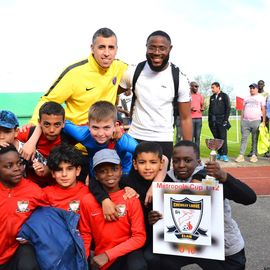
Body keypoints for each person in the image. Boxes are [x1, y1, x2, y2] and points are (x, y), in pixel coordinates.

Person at [149, 140, 257, 270]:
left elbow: (250, 198)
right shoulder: (167, 180)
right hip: (183, 243)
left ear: (199, 162)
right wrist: (154, 217)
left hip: (222, 244)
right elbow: (160, 212)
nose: (181, 165)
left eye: (188, 160)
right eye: (176, 161)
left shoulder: (212, 178)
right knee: (156, 260)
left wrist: (224, 176)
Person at [119, 30, 192, 163]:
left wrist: (189, 149)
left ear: (170, 49)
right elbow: (112, 93)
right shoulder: (133, 71)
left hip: (163, 140)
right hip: (135, 137)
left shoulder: (179, 78)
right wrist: (114, 121)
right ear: (146, 47)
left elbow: (186, 117)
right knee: (132, 182)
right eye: (152, 47)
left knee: (160, 183)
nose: (157, 53)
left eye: (162, 48)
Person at [30, 27, 127, 126]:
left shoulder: (119, 67)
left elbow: (137, 76)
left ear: (116, 49)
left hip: (104, 132)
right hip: (76, 133)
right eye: (101, 47)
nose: (106, 53)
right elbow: (48, 100)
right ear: (92, 48)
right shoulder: (74, 72)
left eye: (111, 47)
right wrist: (33, 124)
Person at [79, 149, 146, 270]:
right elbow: (85, 234)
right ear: (96, 175)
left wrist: (108, 255)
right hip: (101, 259)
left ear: (121, 170)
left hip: (125, 254)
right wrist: (83, 260)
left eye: (114, 169)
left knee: (137, 266)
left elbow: (139, 237)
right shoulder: (87, 201)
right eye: (103, 171)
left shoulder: (130, 198)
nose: (110, 174)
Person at [0, 144, 48, 270]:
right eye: (9, 166)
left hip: (18, 250)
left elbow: (48, 219)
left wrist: (33, 234)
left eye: (19, 163)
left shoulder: (34, 191)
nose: (17, 169)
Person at [121, 142, 164, 270]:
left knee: (152, 258)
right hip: (134, 238)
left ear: (161, 164)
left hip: (157, 238)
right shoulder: (126, 182)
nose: (147, 167)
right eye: (142, 162)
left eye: (153, 162)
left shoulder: (168, 183)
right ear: (134, 164)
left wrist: (159, 217)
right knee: (136, 265)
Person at [16, 102, 75, 187]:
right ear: (39, 122)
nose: (51, 130)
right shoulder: (28, 133)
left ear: (63, 123)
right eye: (47, 124)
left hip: (58, 188)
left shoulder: (69, 137)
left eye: (57, 124)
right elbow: (8, 138)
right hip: (30, 188)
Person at [43, 144, 89, 212]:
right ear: (53, 173)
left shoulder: (87, 193)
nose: (64, 174)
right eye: (59, 170)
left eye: (69, 169)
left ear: (77, 170)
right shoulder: (44, 194)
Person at [235, 83, 266, 163]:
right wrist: (241, 120)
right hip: (245, 121)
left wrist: (263, 121)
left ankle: (254, 155)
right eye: (250, 88)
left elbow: (263, 110)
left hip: (256, 121)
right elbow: (243, 109)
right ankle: (241, 155)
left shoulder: (261, 98)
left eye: (253, 88)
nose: (251, 89)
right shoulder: (246, 98)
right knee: (244, 139)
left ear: (256, 89)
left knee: (254, 139)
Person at [208, 82, 231, 162]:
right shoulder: (212, 97)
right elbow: (210, 110)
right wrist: (209, 121)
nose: (212, 89)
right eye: (211, 88)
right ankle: (219, 153)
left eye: (213, 87)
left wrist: (225, 120)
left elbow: (228, 108)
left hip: (222, 120)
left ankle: (224, 154)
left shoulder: (224, 96)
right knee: (216, 138)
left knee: (223, 137)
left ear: (218, 87)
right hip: (213, 121)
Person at [190, 81, 205, 155]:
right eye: (195, 86)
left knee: (198, 137)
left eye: (197, 86)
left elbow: (203, 105)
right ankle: (191, 152)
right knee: (191, 137)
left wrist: (202, 108)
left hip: (199, 118)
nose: (197, 88)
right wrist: (190, 108)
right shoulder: (187, 96)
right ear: (191, 87)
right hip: (190, 119)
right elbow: (184, 107)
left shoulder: (200, 96)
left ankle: (197, 153)